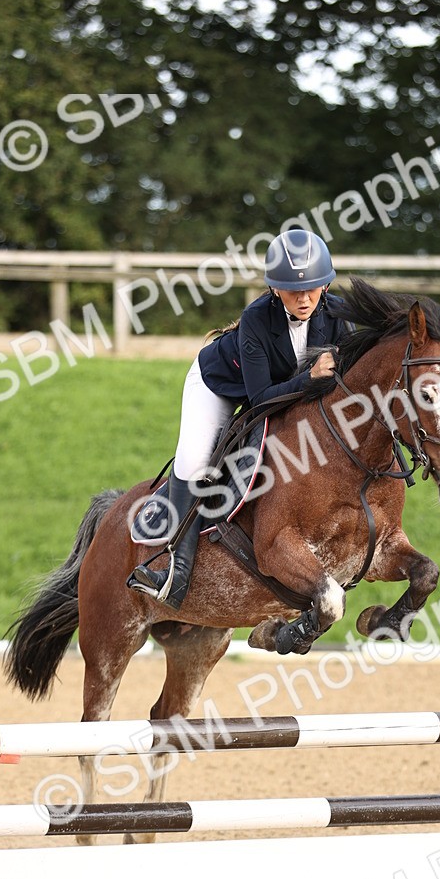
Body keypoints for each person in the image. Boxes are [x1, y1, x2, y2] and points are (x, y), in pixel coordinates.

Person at [129, 228, 347, 607]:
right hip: (219, 385)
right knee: (196, 459)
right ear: (275, 290)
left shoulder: (336, 316)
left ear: (325, 286)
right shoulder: (257, 319)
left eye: (312, 288)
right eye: (293, 290)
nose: (304, 297)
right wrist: (310, 380)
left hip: (285, 389)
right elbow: (260, 397)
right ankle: (175, 574)